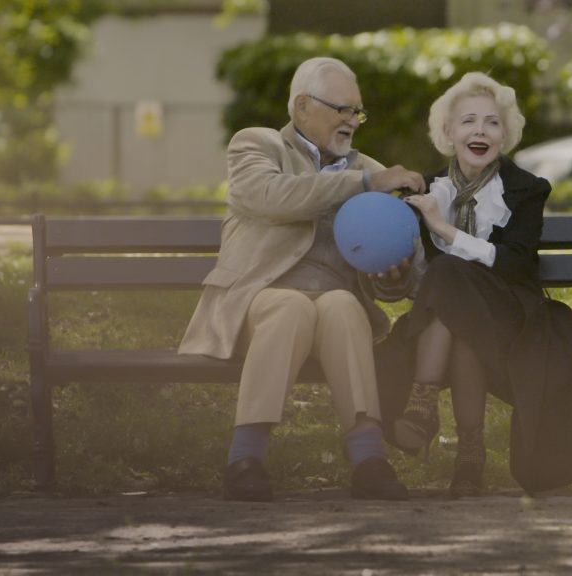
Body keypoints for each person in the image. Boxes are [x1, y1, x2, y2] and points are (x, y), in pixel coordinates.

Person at [178, 57, 425, 502]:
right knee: (289, 306)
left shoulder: (367, 168)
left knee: (344, 306)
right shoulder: (257, 145)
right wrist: (363, 183)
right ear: (302, 107)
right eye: (342, 109)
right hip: (259, 295)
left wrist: (395, 274)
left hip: (332, 302)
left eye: (357, 112)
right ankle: (245, 459)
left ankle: (369, 460)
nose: (352, 121)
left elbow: (398, 273)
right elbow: (270, 196)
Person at [376, 72, 572, 498]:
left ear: (504, 135)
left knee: (450, 273)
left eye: (492, 122)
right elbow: (418, 284)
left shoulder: (527, 190)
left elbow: (512, 263)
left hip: (515, 321)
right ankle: (470, 457)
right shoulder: (427, 191)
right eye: (468, 121)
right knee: (455, 305)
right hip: (455, 325)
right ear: (448, 132)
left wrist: (446, 232)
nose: (480, 130)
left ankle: (422, 403)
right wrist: (396, 274)